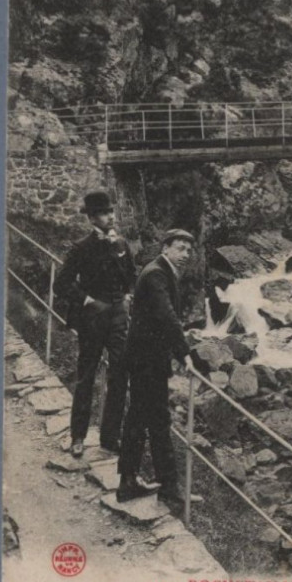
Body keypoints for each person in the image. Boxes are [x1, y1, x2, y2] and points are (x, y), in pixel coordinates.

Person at [116, 229, 197, 505]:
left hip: (145, 358)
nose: (186, 254)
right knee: (157, 420)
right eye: (181, 248)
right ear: (166, 249)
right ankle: (169, 487)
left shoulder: (160, 271)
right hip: (147, 361)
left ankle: (130, 481)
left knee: (140, 418)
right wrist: (185, 353)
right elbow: (166, 315)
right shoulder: (156, 274)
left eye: (189, 250)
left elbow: (163, 317)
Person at [54, 190, 136, 459]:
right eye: (103, 212)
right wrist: (87, 299)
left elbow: (130, 279)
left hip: (118, 318)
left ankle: (110, 439)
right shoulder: (81, 247)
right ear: (91, 217)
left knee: (119, 374)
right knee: (86, 375)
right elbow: (62, 284)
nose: (110, 216)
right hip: (92, 319)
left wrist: (126, 297)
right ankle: (78, 436)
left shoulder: (121, 244)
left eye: (111, 211)